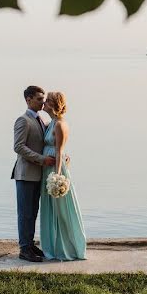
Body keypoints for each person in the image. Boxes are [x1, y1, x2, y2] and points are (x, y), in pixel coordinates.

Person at [39, 91, 87, 260]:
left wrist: (57, 177)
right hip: (48, 168)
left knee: (61, 210)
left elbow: (59, 151)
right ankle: (52, 246)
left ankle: (68, 248)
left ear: (52, 104)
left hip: (55, 169)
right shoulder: (51, 122)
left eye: (46, 101)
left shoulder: (60, 124)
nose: (43, 103)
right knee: (50, 210)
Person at [12, 85, 56, 262]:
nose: (43, 102)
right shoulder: (23, 120)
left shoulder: (42, 120)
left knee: (34, 211)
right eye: (39, 99)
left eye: (43, 99)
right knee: (25, 213)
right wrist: (41, 159)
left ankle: (29, 244)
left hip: (38, 174)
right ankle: (24, 249)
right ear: (28, 99)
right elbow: (18, 147)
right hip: (26, 174)